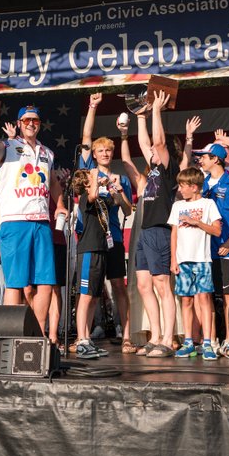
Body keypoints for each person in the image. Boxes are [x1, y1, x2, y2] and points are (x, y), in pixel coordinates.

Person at [0, 104, 66, 336]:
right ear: (19, 124)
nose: (31, 123)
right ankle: (12, 336)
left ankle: (38, 336)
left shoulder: (47, 153)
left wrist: (59, 204)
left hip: (41, 223)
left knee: (46, 282)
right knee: (16, 283)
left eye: (35, 120)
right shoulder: (7, 146)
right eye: (27, 120)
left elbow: (53, 183)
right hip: (15, 223)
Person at [117, 91, 179, 357]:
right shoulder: (152, 168)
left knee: (162, 284)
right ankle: (154, 336)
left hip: (161, 231)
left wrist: (155, 111)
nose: (151, 150)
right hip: (144, 232)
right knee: (144, 285)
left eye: (155, 150)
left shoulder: (168, 168)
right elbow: (145, 143)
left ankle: (167, 338)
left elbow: (159, 142)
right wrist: (140, 116)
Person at [80, 93, 135, 350]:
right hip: (93, 239)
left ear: (112, 154)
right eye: (100, 150)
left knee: (118, 288)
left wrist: (117, 191)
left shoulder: (120, 178)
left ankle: (126, 335)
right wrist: (92, 107)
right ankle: (84, 337)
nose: (103, 153)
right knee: (89, 292)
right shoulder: (89, 172)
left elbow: (127, 208)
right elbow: (86, 138)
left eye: (107, 150)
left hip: (113, 239)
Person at [193, 140, 229, 357]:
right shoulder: (203, 184)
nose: (201, 160)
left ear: (215, 158)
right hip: (205, 249)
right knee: (206, 294)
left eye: (204, 157)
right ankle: (210, 340)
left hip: (226, 249)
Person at [167, 167, 222, 360]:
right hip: (183, 260)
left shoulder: (208, 204)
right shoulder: (177, 206)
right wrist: (174, 259)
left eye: (183, 186)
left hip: (202, 259)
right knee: (186, 300)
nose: (180, 190)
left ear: (194, 186)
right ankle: (188, 341)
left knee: (203, 299)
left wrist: (196, 222)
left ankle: (207, 342)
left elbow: (217, 231)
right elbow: (174, 233)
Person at [70, 169, 112, 360]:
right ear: (86, 183)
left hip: (101, 249)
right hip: (88, 250)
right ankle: (81, 340)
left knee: (94, 296)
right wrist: (94, 177)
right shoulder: (86, 197)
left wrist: (109, 185)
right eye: (90, 178)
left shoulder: (99, 199)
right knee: (85, 296)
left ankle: (87, 338)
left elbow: (113, 201)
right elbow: (93, 194)